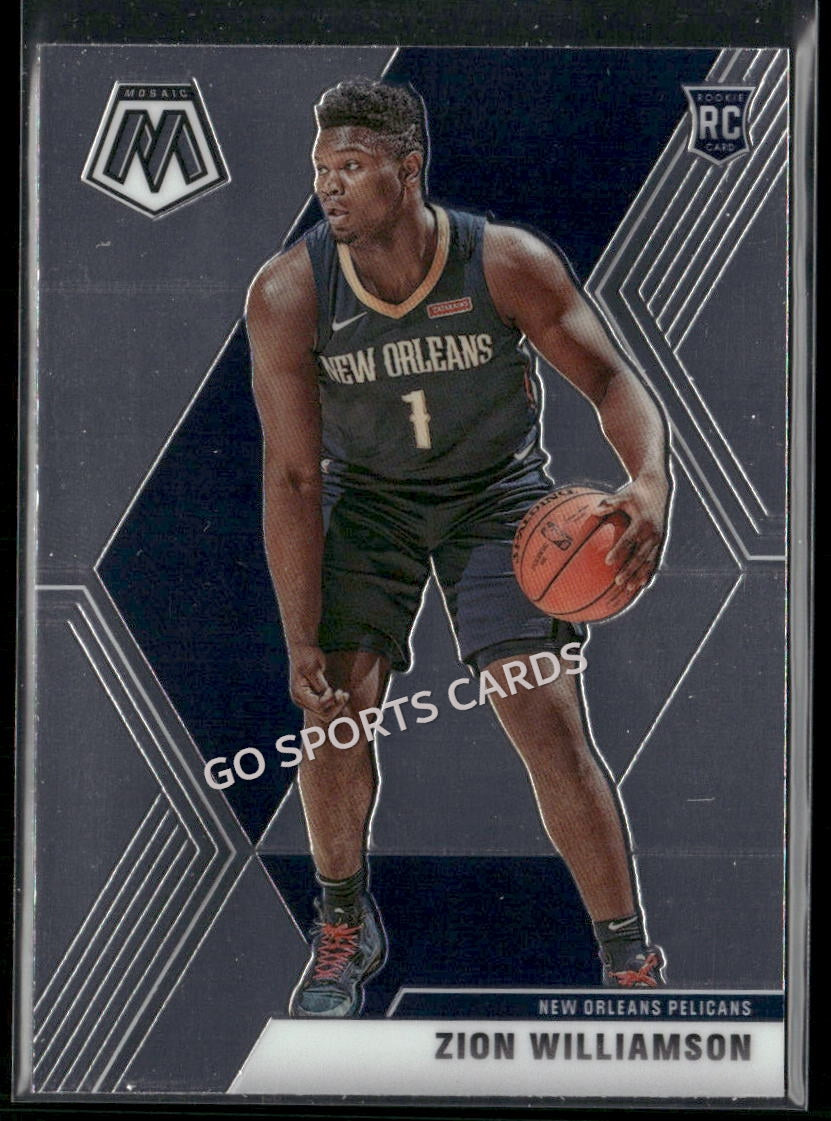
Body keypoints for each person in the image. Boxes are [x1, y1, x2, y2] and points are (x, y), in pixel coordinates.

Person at [246, 78, 671, 1018]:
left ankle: (627, 958)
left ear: (407, 170)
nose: (328, 185)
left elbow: (610, 380)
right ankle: (343, 927)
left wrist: (647, 478)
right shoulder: (289, 290)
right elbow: (294, 478)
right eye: (320, 168)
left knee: (545, 715)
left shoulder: (505, 261)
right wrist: (299, 636)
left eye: (351, 166)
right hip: (369, 505)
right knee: (332, 713)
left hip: (495, 499)